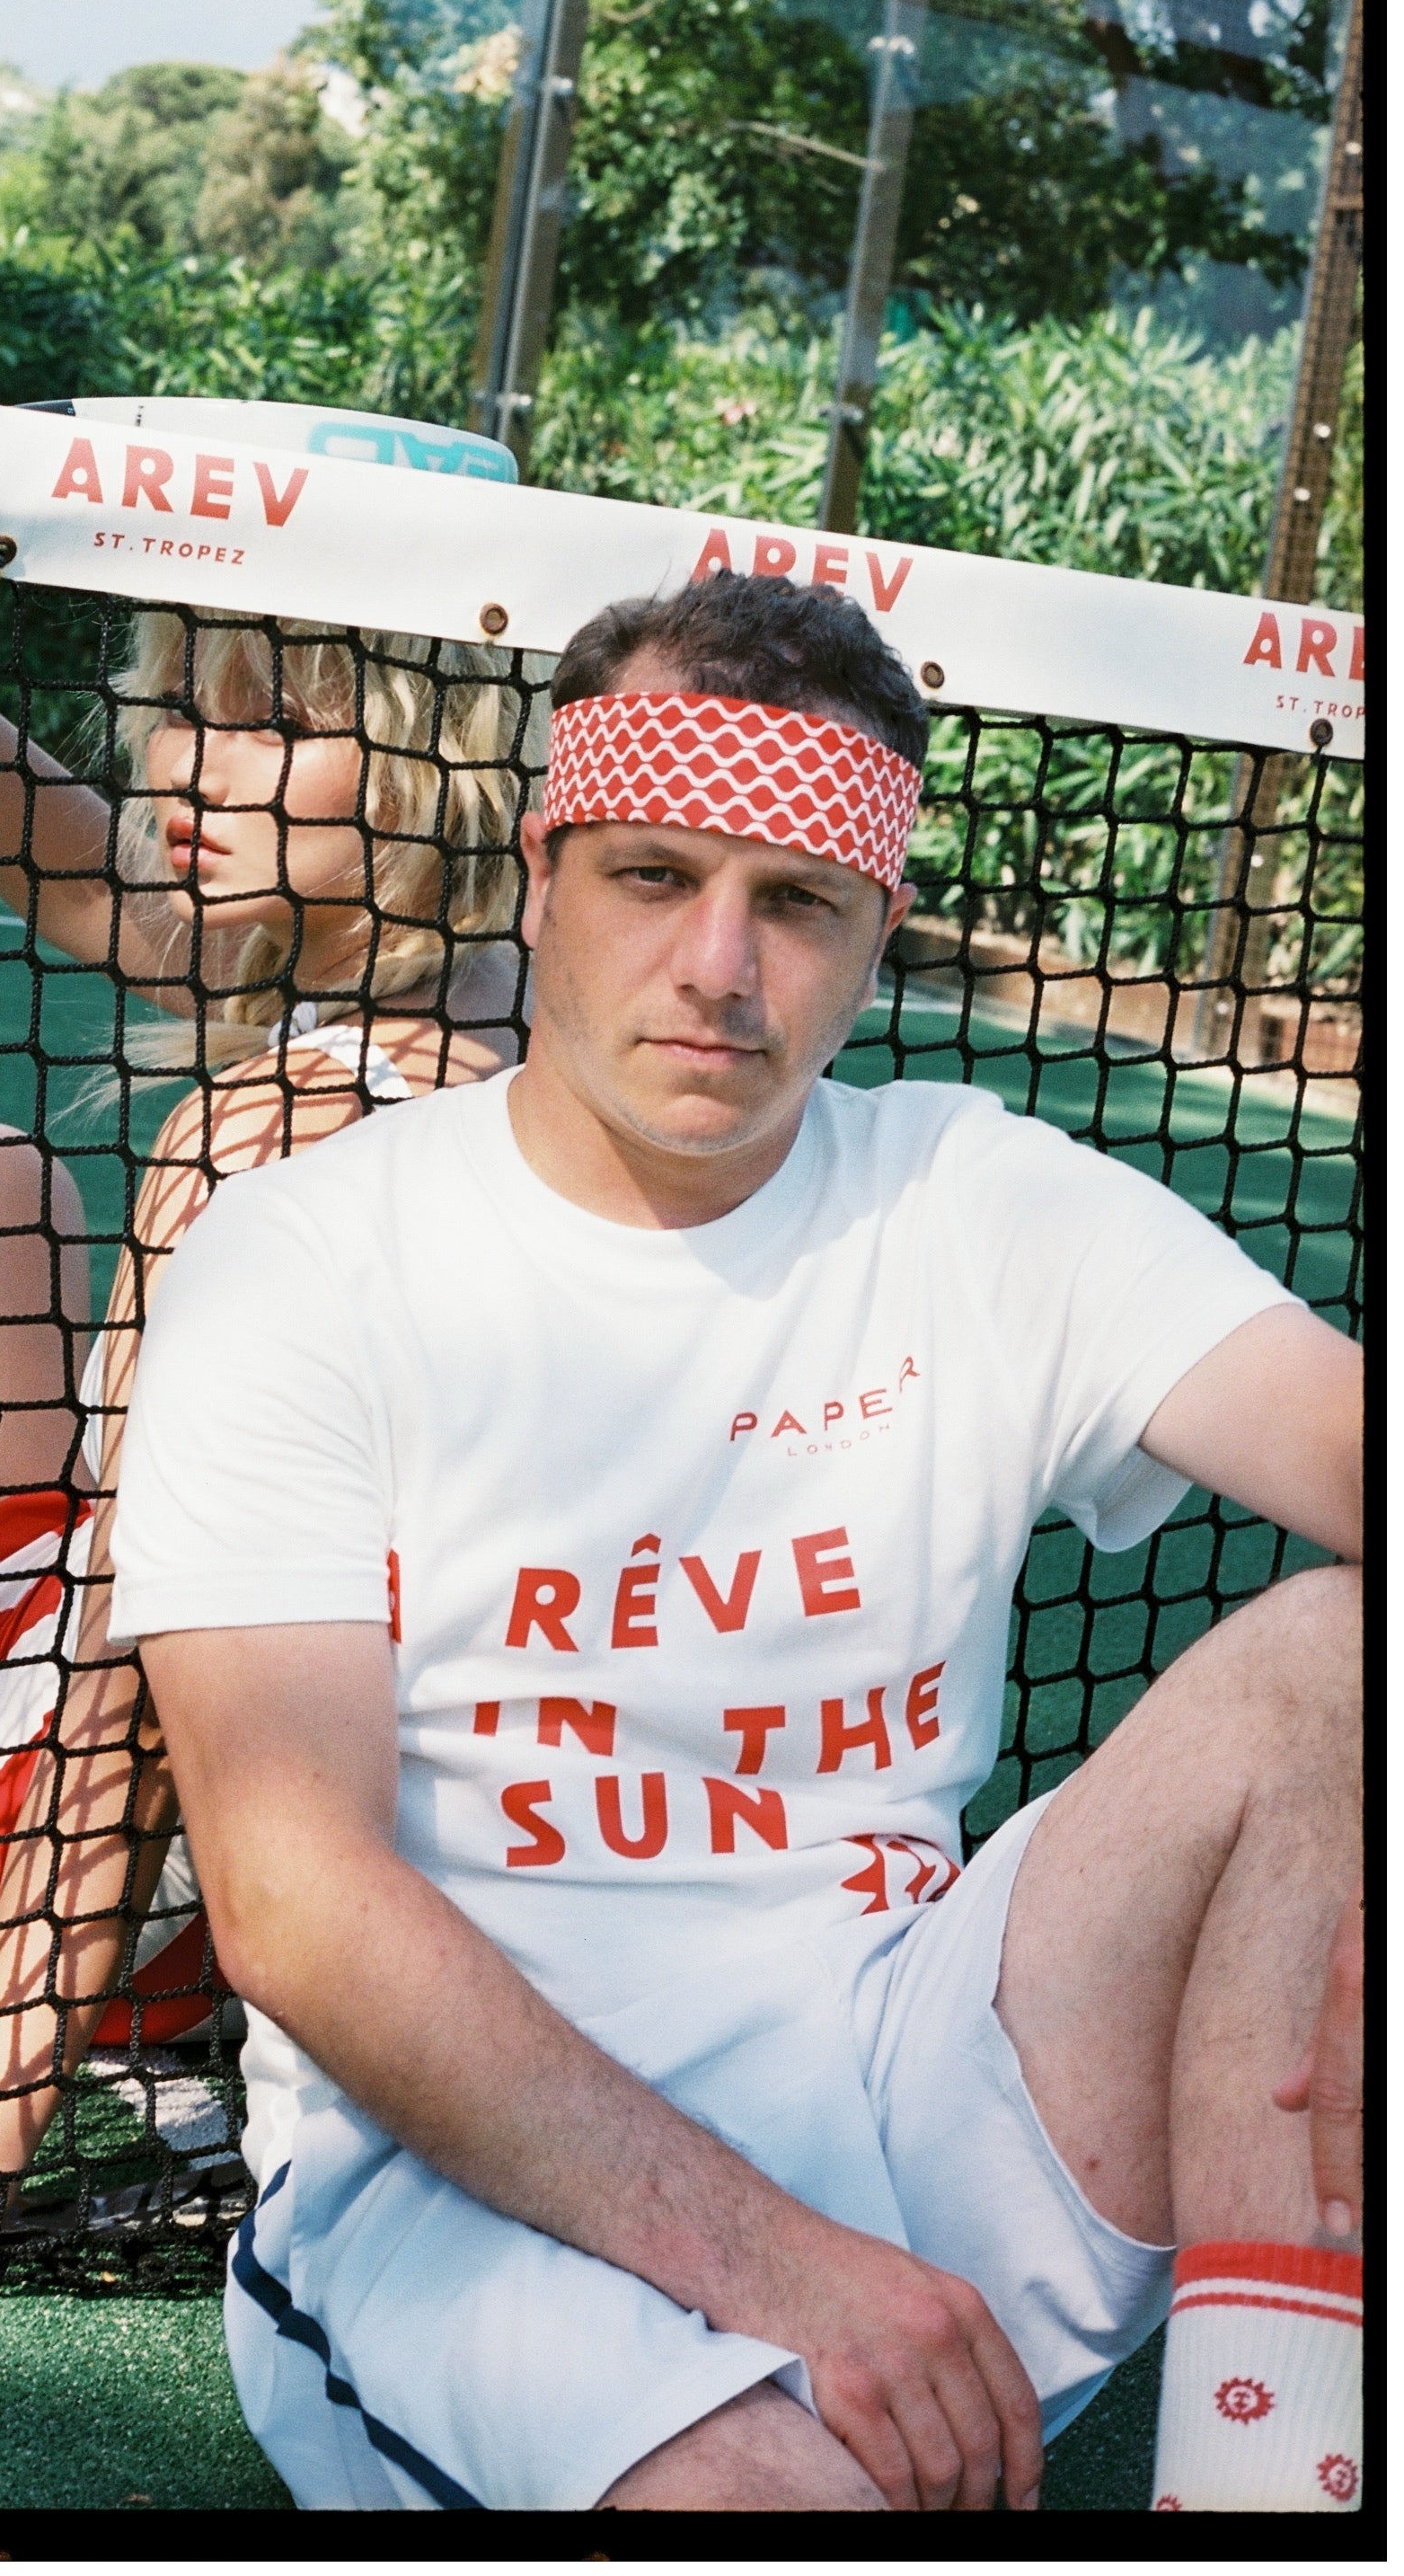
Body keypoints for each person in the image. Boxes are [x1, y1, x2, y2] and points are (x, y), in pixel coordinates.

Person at [110, 568, 1364, 2514]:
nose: (718, 962)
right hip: (466, 2175)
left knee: (1336, 1666)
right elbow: (290, 1900)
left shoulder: (973, 1198)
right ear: (538, 877)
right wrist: (792, 2277)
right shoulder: (299, 1260)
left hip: (914, 2082)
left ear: (871, 934)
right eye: (650, 874)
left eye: (795, 901)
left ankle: (1273, 2498)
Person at [0, 554, 539, 2308]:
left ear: (435, 752)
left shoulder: (252, 1140)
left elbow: (123, 1705)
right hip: (359, 1838)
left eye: (272, 720)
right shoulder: (553, 1014)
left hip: (48, 1886)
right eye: (183, 704)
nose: (187, 765)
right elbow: (81, 868)